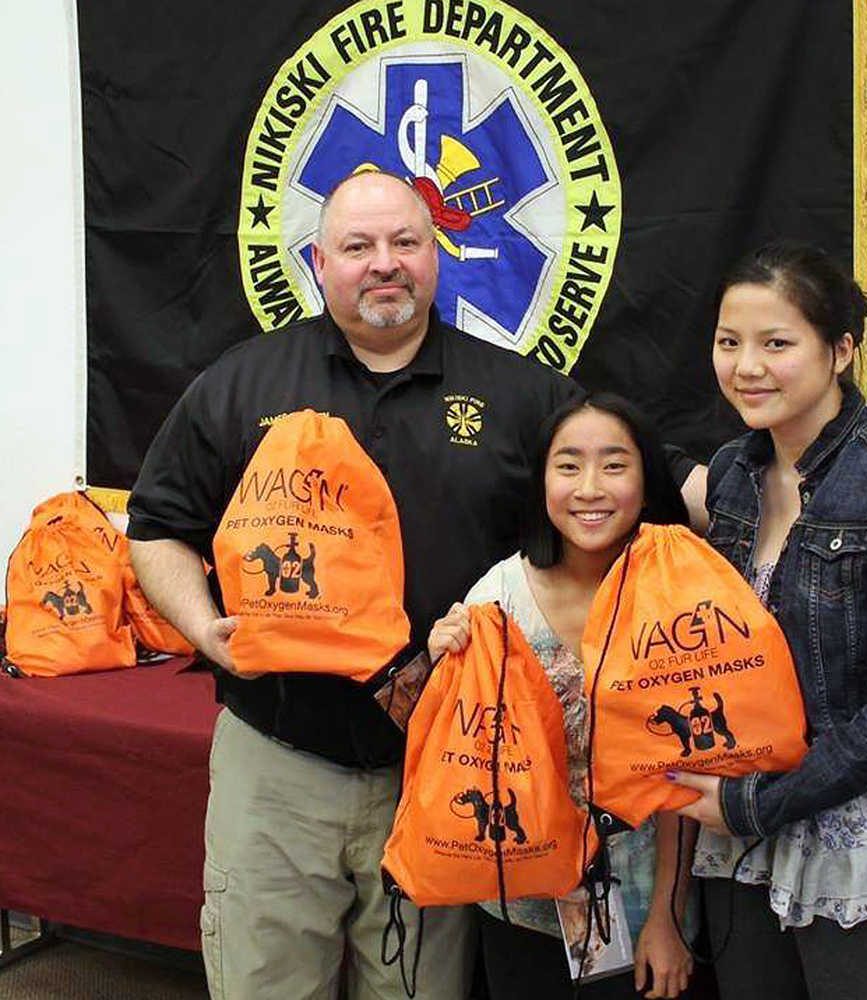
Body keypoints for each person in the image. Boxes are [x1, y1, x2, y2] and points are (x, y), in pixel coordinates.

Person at [125, 169, 584, 1000]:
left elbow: (607, 508)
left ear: (435, 254)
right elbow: (157, 527)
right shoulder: (241, 384)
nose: (385, 264)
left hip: (440, 762)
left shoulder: (521, 395)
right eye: (358, 246)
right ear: (317, 260)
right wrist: (202, 629)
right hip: (278, 759)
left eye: (406, 242)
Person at [669, 241, 867, 1000]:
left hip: (847, 841)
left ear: (840, 350)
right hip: (739, 833)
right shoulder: (734, 471)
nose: (746, 367)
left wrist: (755, 804)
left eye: (776, 344)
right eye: (728, 342)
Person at [428, 394, 700, 1000]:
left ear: (647, 478)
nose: (590, 488)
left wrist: (667, 916)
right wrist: (436, 663)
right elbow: (451, 752)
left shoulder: (680, 597)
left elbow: (688, 777)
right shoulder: (497, 596)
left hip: (640, 904)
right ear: (542, 480)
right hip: (517, 902)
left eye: (614, 464)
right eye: (569, 465)